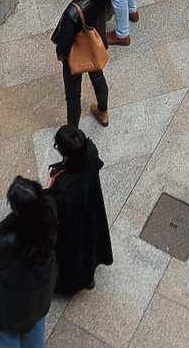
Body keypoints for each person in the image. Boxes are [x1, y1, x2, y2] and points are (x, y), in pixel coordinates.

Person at [0, 176, 58, 348]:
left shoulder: (6, 240)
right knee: (36, 323)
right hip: (41, 289)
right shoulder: (49, 214)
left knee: (8, 336)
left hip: (13, 301)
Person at [46, 125, 113, 293]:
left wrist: (48, 188)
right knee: (91, 241)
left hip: (73, 226)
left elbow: (55, 211)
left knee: (73, 253)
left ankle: (75, 283)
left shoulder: (64, 186)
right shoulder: (91, 150)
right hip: (91, 208)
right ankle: (89, 279)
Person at [52, 0, 111, 128]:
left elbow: (64, 44)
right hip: (94, 48)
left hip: (75, 57)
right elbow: (108, 14)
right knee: (98, 77)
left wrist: (61, 55)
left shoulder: (73, 12)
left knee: (73, 97)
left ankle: (73, 132)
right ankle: (103, 112)